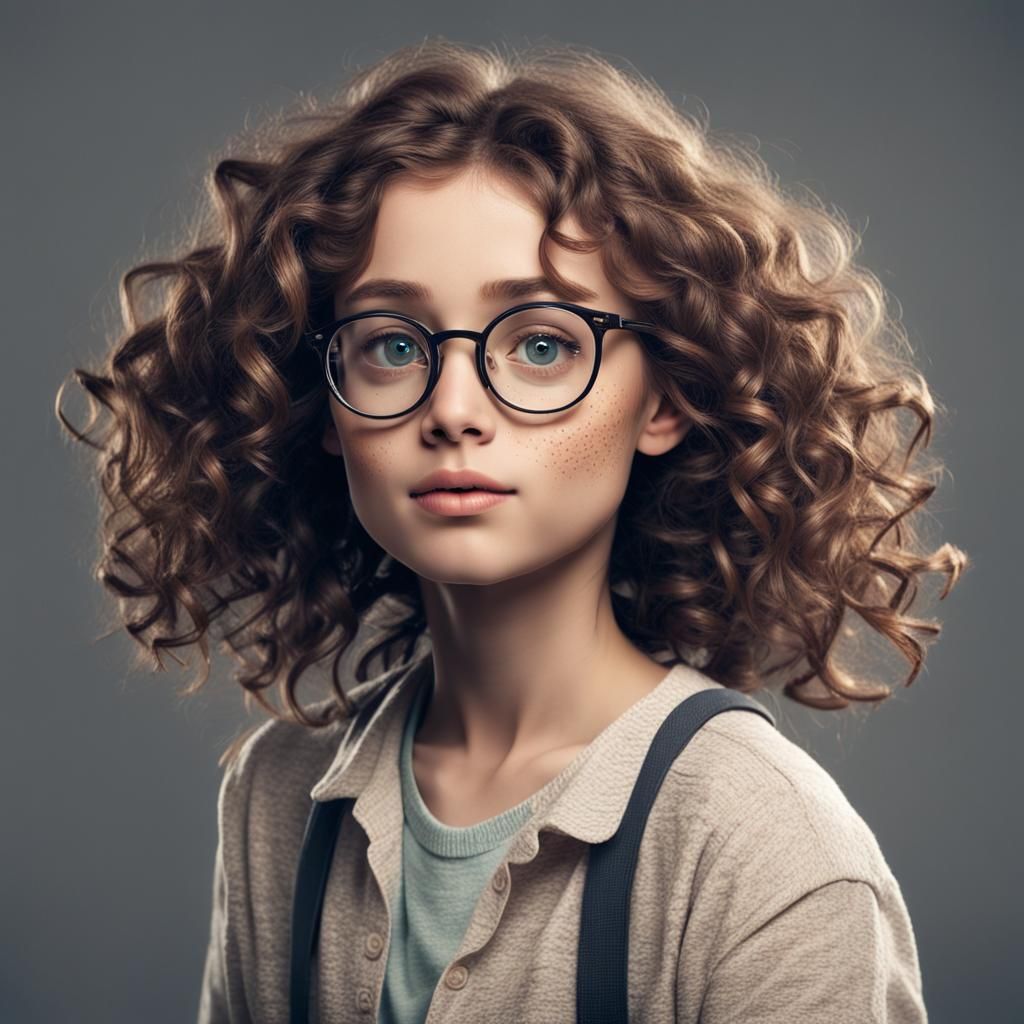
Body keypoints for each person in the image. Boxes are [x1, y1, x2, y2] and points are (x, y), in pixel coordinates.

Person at [56, 38, 968, 1024]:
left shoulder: (764, 847)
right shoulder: (276, 798)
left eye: (540, 344)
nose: (452, 409)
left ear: (664, 396)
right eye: (393, 345)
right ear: (320, 399)